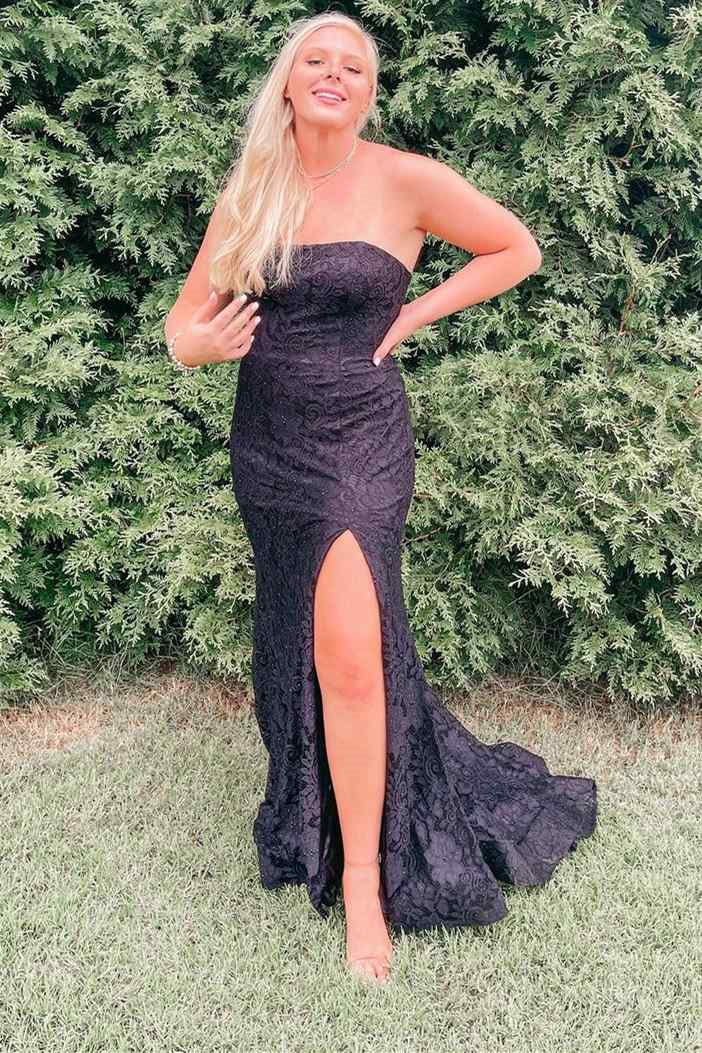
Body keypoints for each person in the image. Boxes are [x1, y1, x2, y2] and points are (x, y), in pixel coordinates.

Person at [164, 11, 597, 986]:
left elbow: (515, 248)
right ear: (287, 83)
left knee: (355, 655)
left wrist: (416, 311)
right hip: (270, 445)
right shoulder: (255, 190)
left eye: (353, 66)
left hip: (360, 441)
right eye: (315, 60)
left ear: (368, 91)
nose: (333, 74)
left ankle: (364, 878)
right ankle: (314, 808)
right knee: (306, 640)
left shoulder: (405, 179)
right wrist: (197, 346)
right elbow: (183, 325)